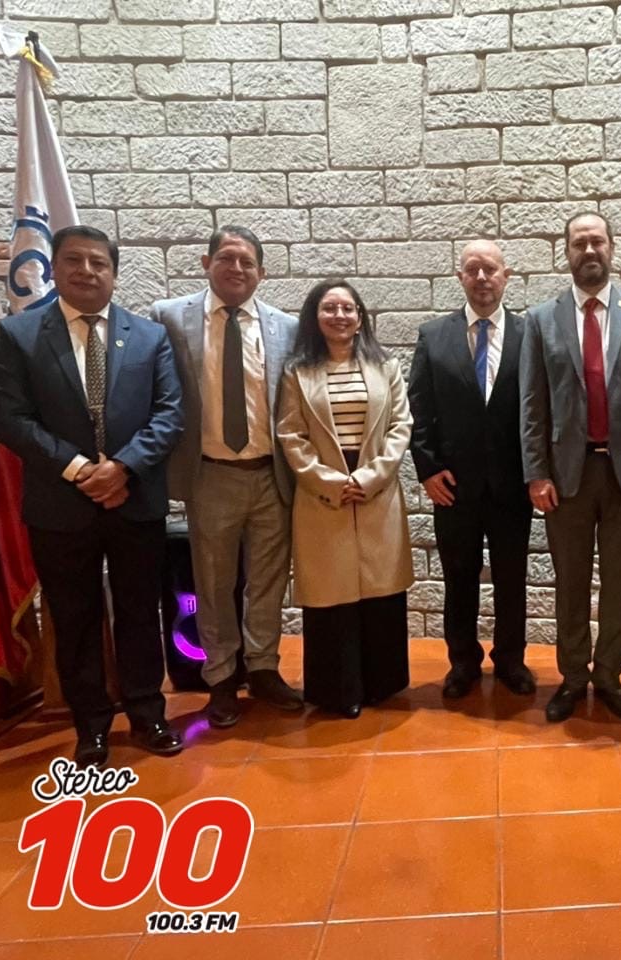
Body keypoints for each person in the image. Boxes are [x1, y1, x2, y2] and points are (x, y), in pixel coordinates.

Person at [0, 225, 184, 767]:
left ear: (114, 273)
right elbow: (8, 417)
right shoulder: (19, 334)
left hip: (134, 499)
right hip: (59, 506)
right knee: (74, 619)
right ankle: (91, 725)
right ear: (54, 268)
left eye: (99, 262)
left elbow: (170, 414)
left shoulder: (149, 336)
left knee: (140, 612)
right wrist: (79, 470)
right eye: (74, 260)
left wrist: (122, 468)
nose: (87, 271)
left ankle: (147, 713)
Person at [520, 211, 621, 723]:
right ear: (566, 252)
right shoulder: (541, 319)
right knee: (570, 580)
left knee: (620, 580)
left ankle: (609, 675)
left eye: (597, 241)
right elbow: (532, 403)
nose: (589, 250)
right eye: (579, 242)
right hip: (567, 475)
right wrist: (536, 472)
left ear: (612, 247)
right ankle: (572, 677)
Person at [151, 226, 301, 728]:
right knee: (214, 584)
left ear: (262, 272)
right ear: (206, 262)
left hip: (271, 474)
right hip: (211, 475)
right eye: (227, 258)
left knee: (268, 582)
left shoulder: (286, 327)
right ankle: (220, 677)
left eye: (247, 262)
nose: (237, 268)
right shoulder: (169, 317)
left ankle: (262, 668)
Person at [276, 279, 413, 717]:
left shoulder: (385, 365)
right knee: (331, 597)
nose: (339, 316)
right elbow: (291, 435)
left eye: (348, 309)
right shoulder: (297, 372)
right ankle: (339, 691)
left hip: (376, 492)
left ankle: (381, 685)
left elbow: (401, 426)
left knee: (380, 592)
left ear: (360, 317)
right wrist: (330, 482)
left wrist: (371, 477)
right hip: (323, 495)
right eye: (329, 308)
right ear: (315, 317)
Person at [408, 240, 534, 700]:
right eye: (472, 269)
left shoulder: (529, 334)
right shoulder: (433, 336)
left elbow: (539, 410)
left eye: (490, 269)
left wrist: (538, 472)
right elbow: (418, 408)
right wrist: (427, 470)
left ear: (506, 276)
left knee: (511, 579)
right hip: (453, 485)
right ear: (459, 276)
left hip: (512, 484)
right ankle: (462, 662)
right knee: (459, 578)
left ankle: (511, 660)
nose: (482, 278)